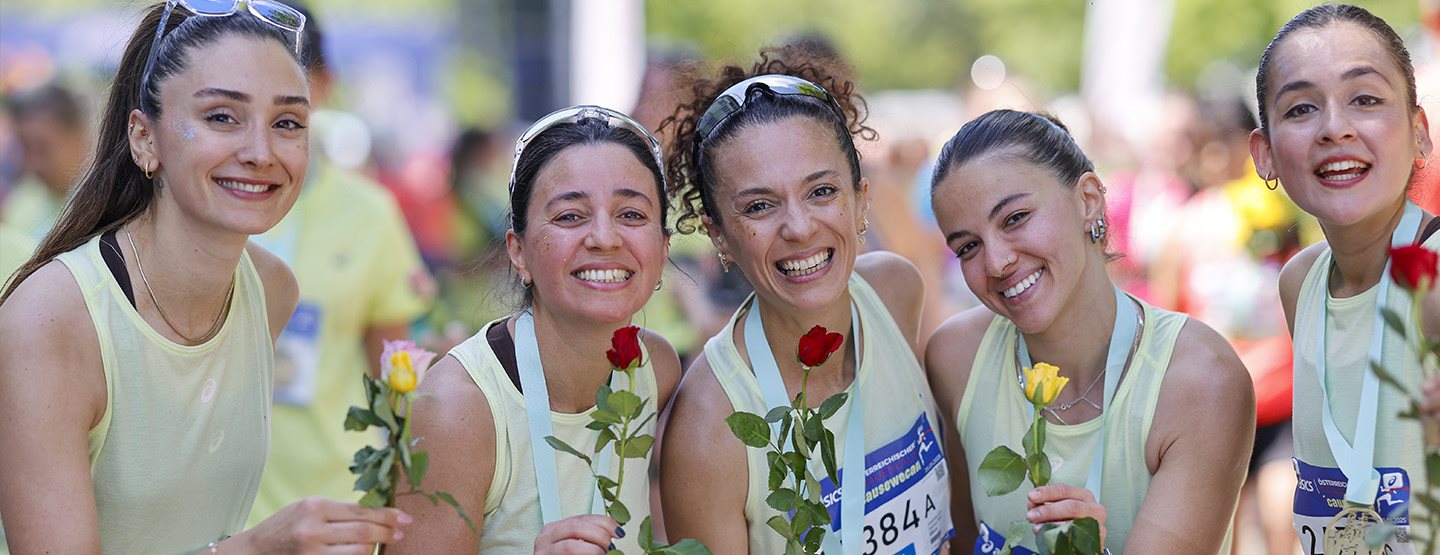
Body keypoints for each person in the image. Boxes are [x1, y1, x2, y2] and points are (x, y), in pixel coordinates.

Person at [0, 2, 408, 552]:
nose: (261, 153)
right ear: (144, 138)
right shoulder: (49, 320)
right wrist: (257, 549)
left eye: (287, 123)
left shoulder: (272, 291)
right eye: (222, 117)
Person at [658, 45, 954, 554]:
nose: (798, 227)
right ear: (720, 236)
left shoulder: (894, 292)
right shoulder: (710, 424)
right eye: (759, 206)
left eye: (821, 192)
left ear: (861, 199)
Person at [927, 109, 1255, 553]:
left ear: (1088, 199)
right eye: (968, 246)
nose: (997, 262)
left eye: (1015, 218)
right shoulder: (956, 358)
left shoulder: (1199, 380)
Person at [388, 105, 680, 553]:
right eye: (570, 216)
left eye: (632, 215)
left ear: (662, 249)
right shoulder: (460, 407)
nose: (605, 237)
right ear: (518, 251)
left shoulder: (656, 369)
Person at [1249, 4, 1440, 551]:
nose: (1335, 129)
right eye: (1302, 108)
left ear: (1419, 132)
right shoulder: (1301, 283)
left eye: (1365, 99)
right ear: (1264, 155)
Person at [247, 1, 435, 527]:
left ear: (322, 85)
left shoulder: (370, 212)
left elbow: (392, 375)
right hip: (213, 511)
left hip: (334, 502)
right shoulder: (204, 202)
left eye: (284, 82)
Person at [3, 82, 90, 245]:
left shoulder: (107, 206)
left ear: (79, 136)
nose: (31, 163)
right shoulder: (20, 204)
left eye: (41, 148)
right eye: (24, 148)